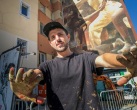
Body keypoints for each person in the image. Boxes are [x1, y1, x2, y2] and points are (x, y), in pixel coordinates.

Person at [9, 21, 137, 110]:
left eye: (60, 34)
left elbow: (103, 59)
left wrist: (126, 61)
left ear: (68, 37)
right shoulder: (46, 66)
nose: (57, 39)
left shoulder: (85, 58)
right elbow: (37, 73)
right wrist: (25, 81)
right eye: (52, 37)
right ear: (50, 43)